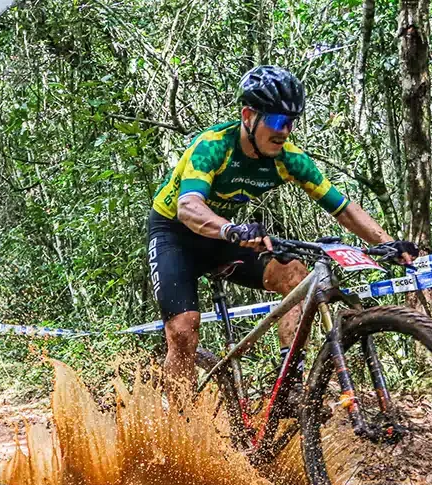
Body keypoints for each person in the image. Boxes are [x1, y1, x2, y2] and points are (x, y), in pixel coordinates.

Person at [147, 65, 415, 403]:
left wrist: (387, 243)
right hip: (174, 234)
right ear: (248, 115)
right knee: (184, 331)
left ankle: (287, 384)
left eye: (290, 122)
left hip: (220, 237)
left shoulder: (290, 160)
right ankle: (174, 423)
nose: (284, 131)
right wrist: (230, 228)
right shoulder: (213, 146)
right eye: (276, 121)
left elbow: (343, 207)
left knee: (295, 275)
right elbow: (188, 207)